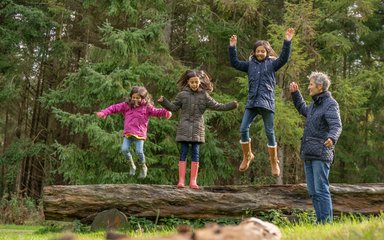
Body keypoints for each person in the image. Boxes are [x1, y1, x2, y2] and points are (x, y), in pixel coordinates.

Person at [228, 28, 295, 175]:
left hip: (266, 103)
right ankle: (248, 155)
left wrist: (287, 41)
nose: (260, 53)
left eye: (262, 51)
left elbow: (283, 58)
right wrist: (232, 47)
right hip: (252, 102)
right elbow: (235, 63)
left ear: (267, 52)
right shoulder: (249, 65)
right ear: (254, 52)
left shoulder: (272, 64)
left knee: (270, 132)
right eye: (257, 51)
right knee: (243, 129)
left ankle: (273, 161)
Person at [157, 70, 238, 189]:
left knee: (195, 154)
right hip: (184, 128)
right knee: (183, 153)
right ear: (188, 83)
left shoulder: (204, 95)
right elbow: (173, 108)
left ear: (200, 82)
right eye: (192, 82)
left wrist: (231, 105)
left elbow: (218, 106)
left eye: (196, 82)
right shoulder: (182, 95)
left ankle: (193, 181)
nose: (194, 84)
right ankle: (181, 181)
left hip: (197, 129)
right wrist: (164, 102)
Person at [289, 72, 342, 223]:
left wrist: (332, 137)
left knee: (321, 190)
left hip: (321, 153)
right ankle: (321, 222)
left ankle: (326, 223)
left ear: (319, 86)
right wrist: (295, 94)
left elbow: (336, 125)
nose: (309, 87)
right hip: (309, 153)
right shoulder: (314, 105)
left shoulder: (331, 104)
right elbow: (303, 110)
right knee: (313, 191)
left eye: (311, 84)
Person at [97, 86, 172, 179]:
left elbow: (156, 111)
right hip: (128, 133)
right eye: (134, 97)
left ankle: (143, 166)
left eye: (138, 98)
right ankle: (132, 165)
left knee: (139, 151)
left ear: (143, 98)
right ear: (131, 97)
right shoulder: (126, 105)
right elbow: (114, 107)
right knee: (124, 149)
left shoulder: (147, 107)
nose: (135, 99)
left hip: (140, 134)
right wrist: (105, 112)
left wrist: (166, 112)